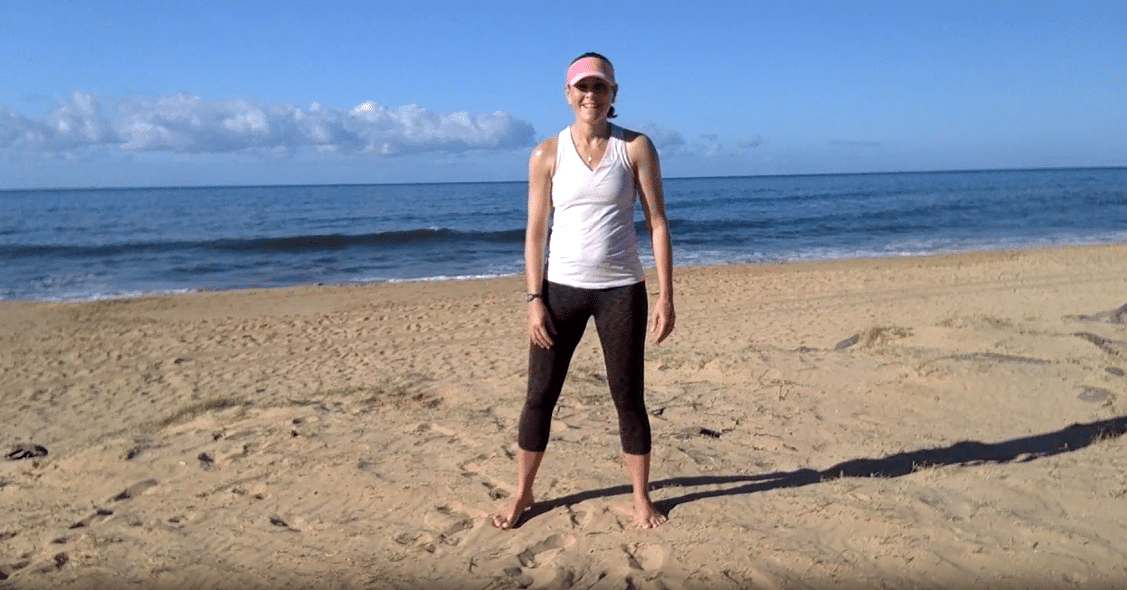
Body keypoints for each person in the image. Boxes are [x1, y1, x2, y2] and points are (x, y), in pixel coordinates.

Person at [492, 52, 675, 530]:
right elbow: (536, 231)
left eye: (600, 86)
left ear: (613, 93)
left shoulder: (635, 147)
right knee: (540, 395)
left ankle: (640, 497)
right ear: (568, 93)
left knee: (628, 397)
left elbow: (657, 223)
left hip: (621, 291)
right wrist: (533, 299)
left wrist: (666, 296)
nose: (590, 95)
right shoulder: (546, 153)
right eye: (582, 87)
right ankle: (523, 492)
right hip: (560, 292)